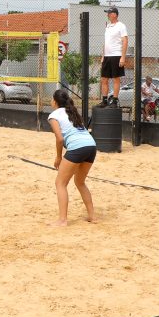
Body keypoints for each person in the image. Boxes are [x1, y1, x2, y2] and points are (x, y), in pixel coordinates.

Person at [48, 89, 98, 226]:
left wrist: (58, 157)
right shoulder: (73, 112)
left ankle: (63, 220)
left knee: (60, 183)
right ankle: (92, 216)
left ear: (55, 101)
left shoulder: (54, 115)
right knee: (80, 182)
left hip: (77, 147)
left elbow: (59, 139)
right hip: (91, 146)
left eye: (52, 99)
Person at [100, 6, 128, 107]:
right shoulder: (108, 26)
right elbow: (106, 42)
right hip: (107, 56)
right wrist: (103, 56)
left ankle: (115, 101)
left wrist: (123, 57)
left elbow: (125, 41)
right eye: (107, 13)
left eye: (109, 13)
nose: (107, 15)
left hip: (116, 55)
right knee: (104, 79)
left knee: (116, 79)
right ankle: (104, 100)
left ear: (115, 14)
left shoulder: (121, 26)